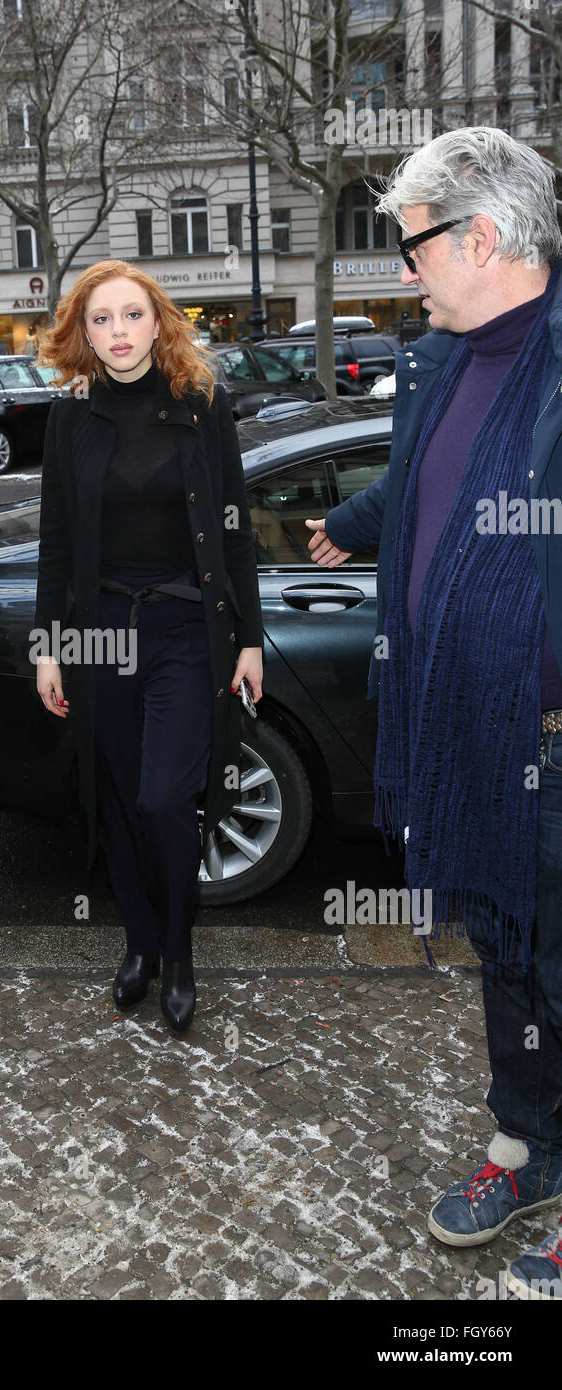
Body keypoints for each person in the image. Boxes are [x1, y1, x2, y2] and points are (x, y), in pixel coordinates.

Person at [305, 128, 562, 1299]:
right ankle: (530, 1143)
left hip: (549, 744)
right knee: (505, 951)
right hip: (461, 727)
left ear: (483, 236)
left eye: (413, 247)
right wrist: (360, 524)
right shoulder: (441, 362)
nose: (404, 272)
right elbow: (424, 478)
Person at [34, 260, 263, 1034]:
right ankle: (138, 941)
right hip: (99, 630)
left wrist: (249, 638)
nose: (118, 333)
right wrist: (49, 646)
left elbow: (235, 528)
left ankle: (178, 949)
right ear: (81, 332)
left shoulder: (199, 402)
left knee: (166, 798)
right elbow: (56, 543)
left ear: (157, 321)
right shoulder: (69, 415)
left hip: (183, 629)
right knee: (121, 800)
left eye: (131, 316)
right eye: (101, 320)